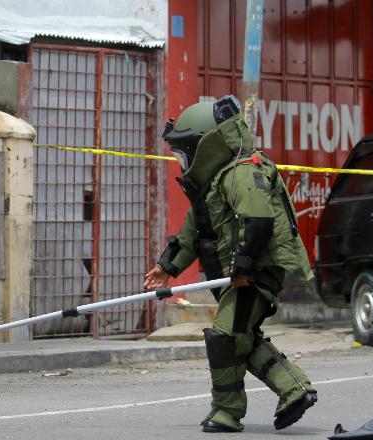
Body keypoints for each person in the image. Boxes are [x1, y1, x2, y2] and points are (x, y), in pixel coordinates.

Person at [143, 96, 318, 433]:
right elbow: (194, 231)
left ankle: (227, 411)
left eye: (187, 151)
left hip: (254, 274)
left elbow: (258, 221)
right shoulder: (214, 182)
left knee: (224, 336)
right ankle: (295, 390)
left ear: (208, 145)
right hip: (240, 274)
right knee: (241, 336)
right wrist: (167, 266)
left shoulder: (242, 171)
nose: (184, 160)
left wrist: (243, 269)